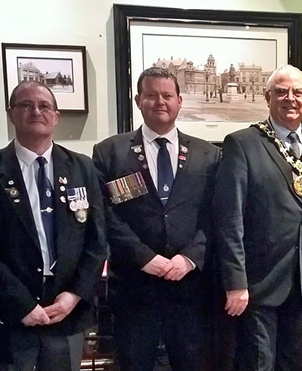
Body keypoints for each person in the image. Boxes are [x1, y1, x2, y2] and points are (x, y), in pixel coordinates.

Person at [92, 67, 221, 371]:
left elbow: (217, 214)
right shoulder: (110, 151)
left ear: (179, 101)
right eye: (151, 95)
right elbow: (104, 214)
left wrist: (189, 258)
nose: (160, 102)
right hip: (135, 287)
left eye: (167, 96)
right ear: (138, 100)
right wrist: (144, 257)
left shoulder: (208, 154)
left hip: (190, 289)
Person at [212, 64, 302, 370]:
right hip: (258, 283)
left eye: (297, 92)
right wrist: (236, 282)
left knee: (295, 362)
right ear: (267, 97)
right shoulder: (243, 144)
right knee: (258, 364)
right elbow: (229, 219)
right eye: (281, 91)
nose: (289, 98)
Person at [0, 81, 107, 370]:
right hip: (8, 315)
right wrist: (21, 304)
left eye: (44, 106)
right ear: (11, 113)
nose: (36, 111)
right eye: (25, 105)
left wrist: (75, 295)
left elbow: (97, 239)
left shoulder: (81, 167)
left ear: (56, 116)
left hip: (65, 312)